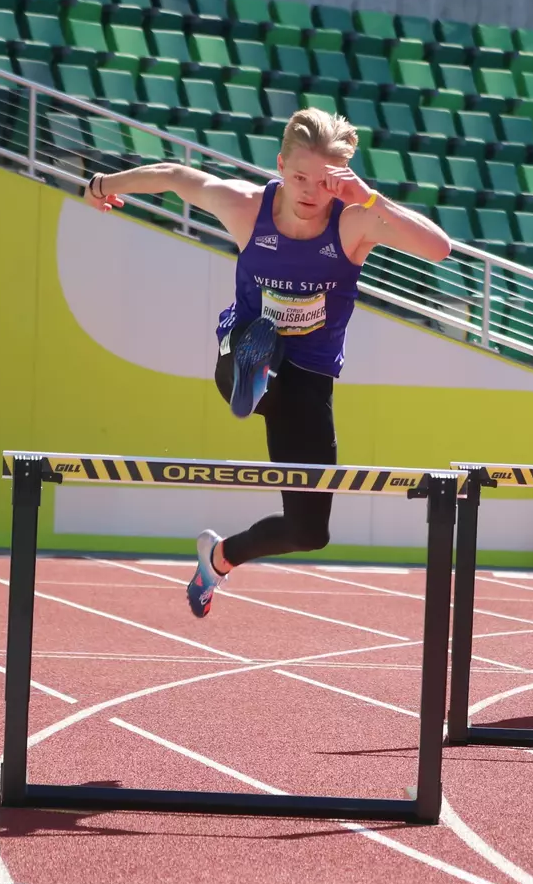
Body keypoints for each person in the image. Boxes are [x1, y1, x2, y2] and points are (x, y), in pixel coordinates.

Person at [83, 108, 451, 618]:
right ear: (280, 164)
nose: (309, 192)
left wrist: (367, 196)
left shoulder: (355, 222)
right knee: (259, 351)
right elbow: (173, 176)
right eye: (299, 177)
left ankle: (218, 558)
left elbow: (439, 249)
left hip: (309, 380)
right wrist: (102, 183)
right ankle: (255, 365)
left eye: (325, 183)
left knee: (309, 533)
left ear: (340, 182)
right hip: (240, 353)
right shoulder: (246, 206)